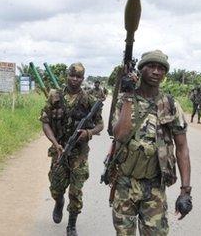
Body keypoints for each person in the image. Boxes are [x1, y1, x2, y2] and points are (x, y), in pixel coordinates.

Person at [111, 50, 192, 235]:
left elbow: (182, 148)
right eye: (151, 66)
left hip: (154, 186)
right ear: (141, 70)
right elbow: (120, 135)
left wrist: (185, 191)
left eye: (161, 68)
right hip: (125, 183)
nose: (156, 71)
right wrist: (129, 95)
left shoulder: (171, 104)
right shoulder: (125, 100)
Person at [40, 62, 103, 236]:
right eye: (72, 75)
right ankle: (59, 203)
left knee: (76, 191)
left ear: (83, 79)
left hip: (79, 153)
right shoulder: (55, 96)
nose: (75, 79)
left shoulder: (88, 99)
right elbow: (45, 122)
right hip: (60, 150)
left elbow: (100, 124)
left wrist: (88, 133)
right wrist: (55, 143)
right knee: (56, 188)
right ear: (67, 76)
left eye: (79, 77)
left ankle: (72, 224)